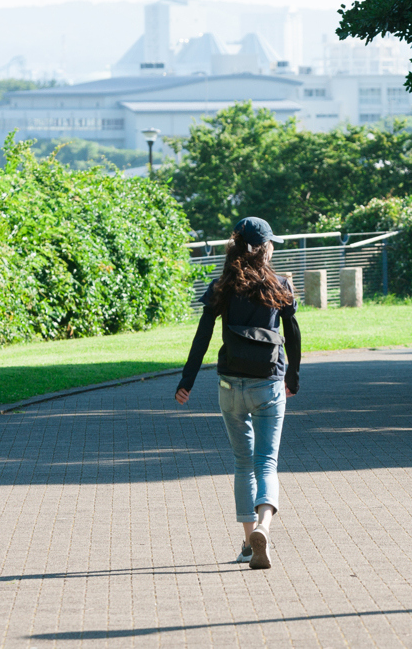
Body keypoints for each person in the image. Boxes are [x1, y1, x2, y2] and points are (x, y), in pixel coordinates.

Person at [175, 217, 301, 570]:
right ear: (265, 248)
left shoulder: (221, 287)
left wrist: (187, 382)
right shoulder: (280, 284)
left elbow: (201, 337)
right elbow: (292, 335)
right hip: (269, 384)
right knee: (267, 462)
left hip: (230, 386)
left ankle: (248, 544)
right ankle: (264, 525)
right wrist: (293, 376)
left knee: (243, 463)